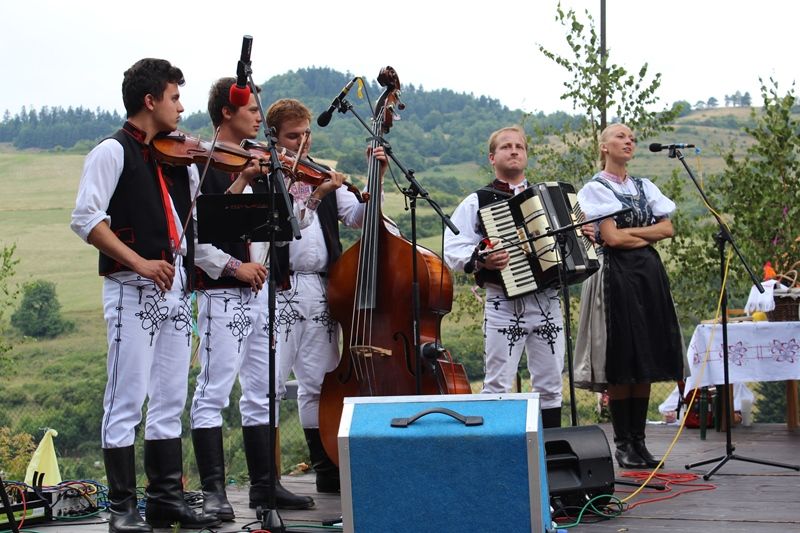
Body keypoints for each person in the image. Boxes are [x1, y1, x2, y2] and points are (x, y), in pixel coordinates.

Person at [70, 58, 220, 532]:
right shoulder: (111, 151)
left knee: (171, 397)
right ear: (150, 100)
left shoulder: (176, 160)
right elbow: (85, 219)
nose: (181, 107)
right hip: (132, 289)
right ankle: (121, 508)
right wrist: (138, 261)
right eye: (174, 97)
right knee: (126, 399)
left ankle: (164, 499)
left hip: (175, 290)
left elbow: (192, 224)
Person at [189, 78, 314, 519]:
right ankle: (214, 492)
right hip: (223, 290)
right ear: (227, 112)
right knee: (214, 390)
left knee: (263, 391)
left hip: (261, 292)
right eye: (251, 109)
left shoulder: (261, 161)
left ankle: (265, 486)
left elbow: (287, 224)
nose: (260, 116)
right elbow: (196, 236)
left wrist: (305, 188)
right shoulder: (200, 162)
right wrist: (233, 266)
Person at [267, 98, 385, 494]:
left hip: (320, 286)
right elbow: (286, 227)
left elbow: (359, 217)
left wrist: (375, 179)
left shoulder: (320, 172)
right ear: (274, 138)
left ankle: (326, 468)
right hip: (279, 286)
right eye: (292, 136)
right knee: (271, 382)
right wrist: (316, 192)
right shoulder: (267, 176)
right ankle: (267, 479)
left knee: (319, 381)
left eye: (306, 134)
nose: (301, 142)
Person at [574, 123, 685, 469]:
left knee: (645, 357)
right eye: (621, 136)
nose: (629, 141)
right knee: (623, 357)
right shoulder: (595, 189)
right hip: (615, 276)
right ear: (604, 146)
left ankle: (640, 442)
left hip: (648, 275)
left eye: (632, 138)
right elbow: (612, 239)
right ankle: (623, 444)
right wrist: (645, 233)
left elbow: (667, 228)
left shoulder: (644, 186)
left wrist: (630, 233)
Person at [443, 125, 565, 429]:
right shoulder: (478, 200)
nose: (514, 151)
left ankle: (549, 449)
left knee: (550, 385)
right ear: (492, 157)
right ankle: (497, 448)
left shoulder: (548, 197)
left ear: (526, 155)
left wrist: (585, 234)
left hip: (548, 299)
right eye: (506, 146)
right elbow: (452, 247)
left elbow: (569, 238)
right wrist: (481, 258)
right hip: (503, 302)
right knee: (498, 384)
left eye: (519, 146)